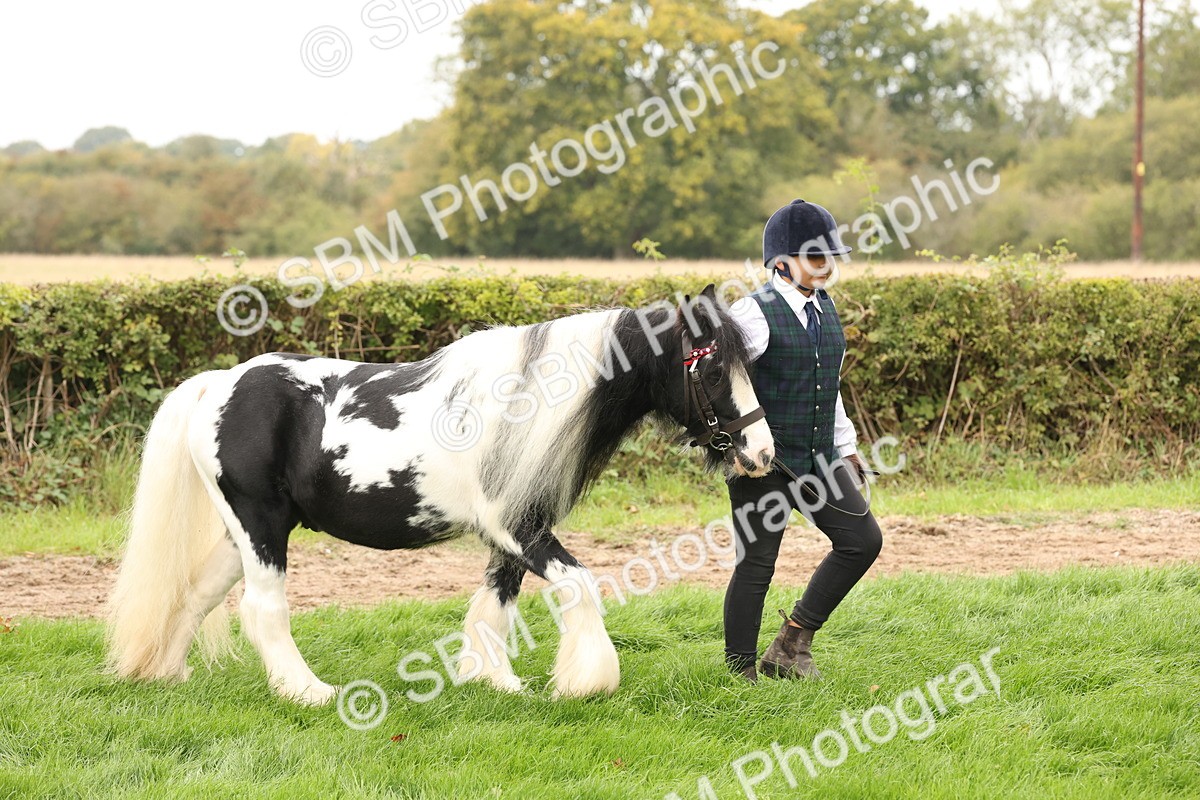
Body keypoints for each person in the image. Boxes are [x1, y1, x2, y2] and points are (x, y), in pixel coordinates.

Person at [723, 198, 884, 683]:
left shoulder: (826, 308)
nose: (826, 266)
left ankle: (792, 642)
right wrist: (735, 449)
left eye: (829, 257)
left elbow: (827, 386)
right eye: (815, 257)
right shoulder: (751, 314)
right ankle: (740, 673)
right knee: (756, 567)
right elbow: (723, 388)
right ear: (781, 261)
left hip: (819, 458)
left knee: (862, 541)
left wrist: (847, 446)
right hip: (764, 464)